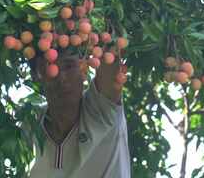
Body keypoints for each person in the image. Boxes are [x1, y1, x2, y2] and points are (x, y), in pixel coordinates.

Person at [27, 50, 130, 178]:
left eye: (69, 66)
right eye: (49, 67)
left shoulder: (100, 109)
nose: (61, 78)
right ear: (36, 75)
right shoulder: (28, 126)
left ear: (84, 69)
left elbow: (110, 49)